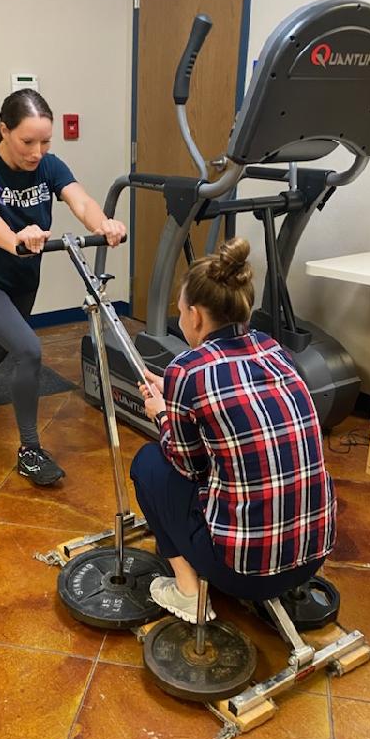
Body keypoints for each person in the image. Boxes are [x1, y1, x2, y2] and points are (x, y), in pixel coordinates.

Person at [130, 237, 336, 623]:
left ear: (195, 316)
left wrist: (162, 414)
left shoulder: (186, 370)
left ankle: (187, 591)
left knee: (148, 463)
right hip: (313, 556)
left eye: (180, 310)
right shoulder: (274, 351)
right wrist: (174, 397)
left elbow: (188, 466)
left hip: (243, 573)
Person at [0, 88, 126, 486]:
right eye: (28, 141)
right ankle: (30, 451)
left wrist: (104, 225)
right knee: (28, 349)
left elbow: (81, 202)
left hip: (22, 280)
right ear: (4, 131)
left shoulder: (48, 166)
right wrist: (16, 238)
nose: (37, 152)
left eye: (45, 142)